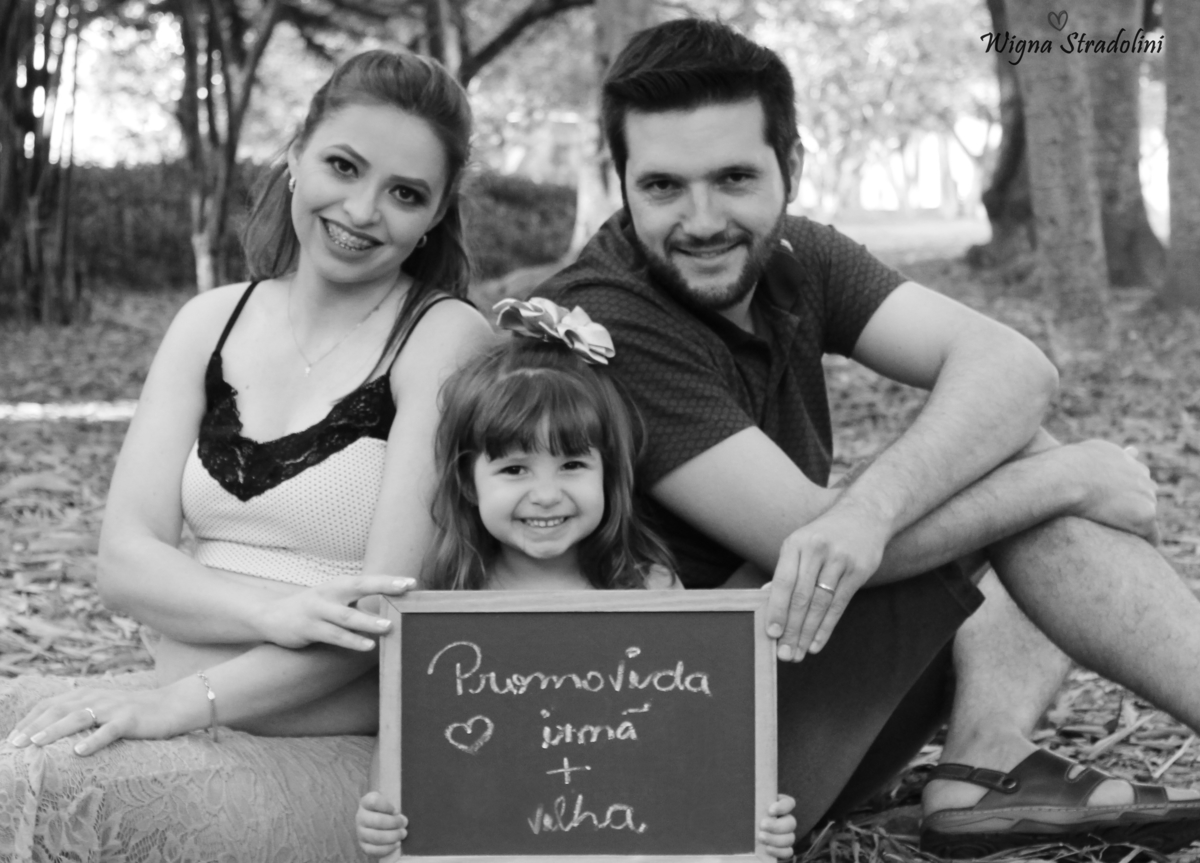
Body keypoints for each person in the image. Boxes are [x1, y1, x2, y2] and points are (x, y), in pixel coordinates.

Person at [535, 17, 1200, 858]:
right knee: (1022, 468)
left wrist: (871, 509)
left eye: (734, 178)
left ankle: (985, 760)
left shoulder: (796, 256)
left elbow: (1012, 367)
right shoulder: (608, 320)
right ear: (621, 181)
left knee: (991, 442)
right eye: (663, 186)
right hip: (689, 759)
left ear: (792, 165)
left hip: (795, 689)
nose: (701, 220)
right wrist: (1067, 479)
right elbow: (802, 546)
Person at [0, 49, 492, 861]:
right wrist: (274, 610)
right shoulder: (210, 321)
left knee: (32, 789)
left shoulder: (443, 338)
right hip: (170, 699)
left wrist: (182, 702)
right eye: (344, 166)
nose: (363, 210)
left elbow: (381, 617)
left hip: (335, 749)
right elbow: (125, 559)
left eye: (405, 193)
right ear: (296, 155)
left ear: (436, 215)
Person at [352, 299, 798, 858]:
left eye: (572, 465)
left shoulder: (652, 592)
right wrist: (380, 817)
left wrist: (752, 822)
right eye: (514, 469)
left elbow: (698, 748)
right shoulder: (443, 613)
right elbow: (405, 752)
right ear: (468, 482)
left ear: (609, 475)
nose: (546, 494)